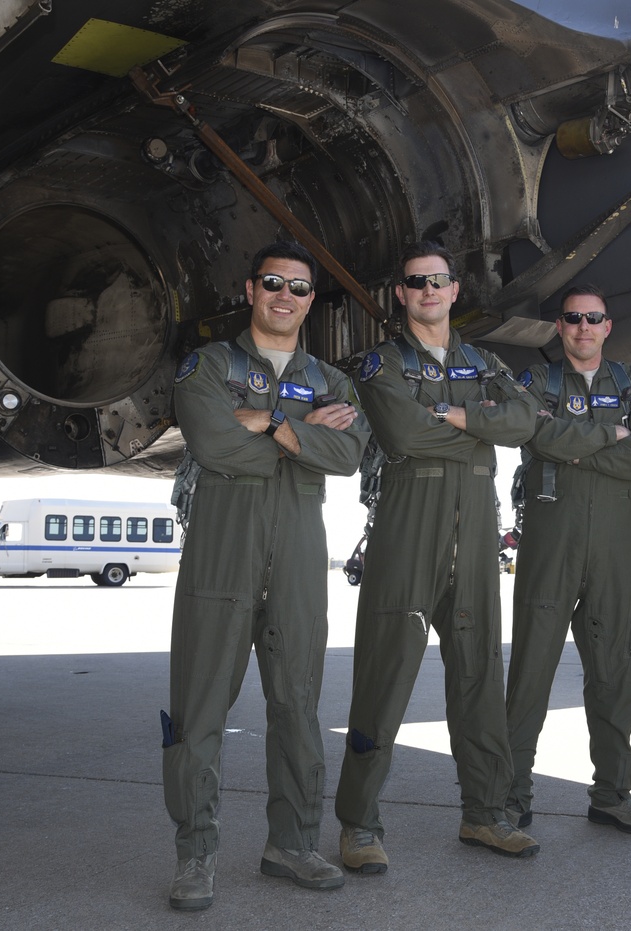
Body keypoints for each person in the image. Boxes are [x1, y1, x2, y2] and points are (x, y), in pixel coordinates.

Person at [162, 240, 370, 910]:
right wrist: (300, 434)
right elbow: (212, 443)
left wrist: (273, 420)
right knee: (198, 712)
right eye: (274, 283)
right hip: (220, 560)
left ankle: (293, 843)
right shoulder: (209, 365)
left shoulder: (334, 382)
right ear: (251, 289)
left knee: (298, 708)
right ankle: (195, 854)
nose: (286, 296)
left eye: (300, 288)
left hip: (300, 567)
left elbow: (345, 454)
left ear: (312, 300)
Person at [334, 241, 541, 873]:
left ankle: (485, 814)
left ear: (455, 290)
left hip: (476, 525)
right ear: (401, 294)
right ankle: (358, 824)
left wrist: (450, 414)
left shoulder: (484, 362)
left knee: (480, 671)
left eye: (439, 281)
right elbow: (401, 432)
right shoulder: (379, 364)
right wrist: (478, 427)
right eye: (416, 282)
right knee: (385, 673)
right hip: (407, 519)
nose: (429, 290)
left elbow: (526, 420)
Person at [504, 284, 631, 836]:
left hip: (617, 549)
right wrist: (606, 437)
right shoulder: (535, 381)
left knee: (616, 674)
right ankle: (510, 794)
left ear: (607, 325)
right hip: (551, 541)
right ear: (559, 326)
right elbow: (528, 429)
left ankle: (613, 795)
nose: (582, 327)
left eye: (592, 318)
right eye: (572, 318)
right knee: (530, 670)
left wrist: (571, 447)